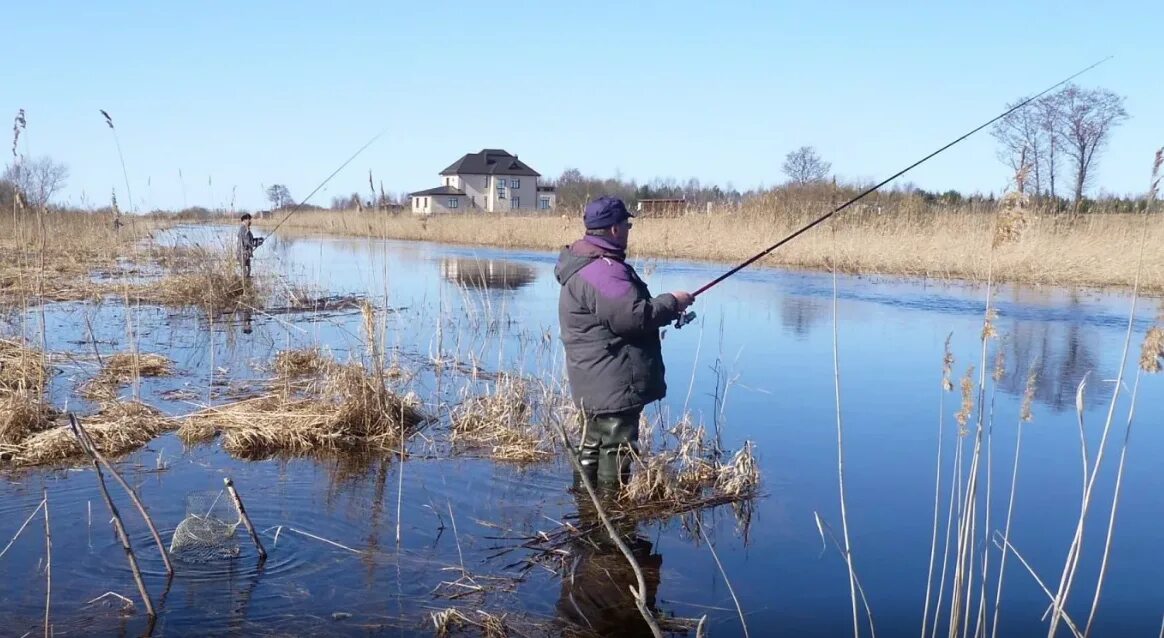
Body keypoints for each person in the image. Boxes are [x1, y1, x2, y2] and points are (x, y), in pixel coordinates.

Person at [554, 195, 693, 490]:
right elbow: (632, 318)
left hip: (595, 376)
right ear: (615, 229)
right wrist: (672, 302)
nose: (629, 229)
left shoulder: (584, 263)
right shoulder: (604, 270)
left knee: (592, 443)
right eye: (627, 224)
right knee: (617, 448)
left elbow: (620, 314)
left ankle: (588, 510)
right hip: (614, 378)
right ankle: (611, 516)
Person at [236, 213, 264, 281]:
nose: (250, 221)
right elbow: (247, 242)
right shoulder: (243, 229)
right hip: (242, 253)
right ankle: (244, 286)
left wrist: (258, 239)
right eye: (249, 220)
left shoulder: (247, 229)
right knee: (245, 272)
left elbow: (249, 239)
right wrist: (255, 244)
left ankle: (247, 284)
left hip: (246, 253)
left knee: (248, 270)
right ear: (245, 220)